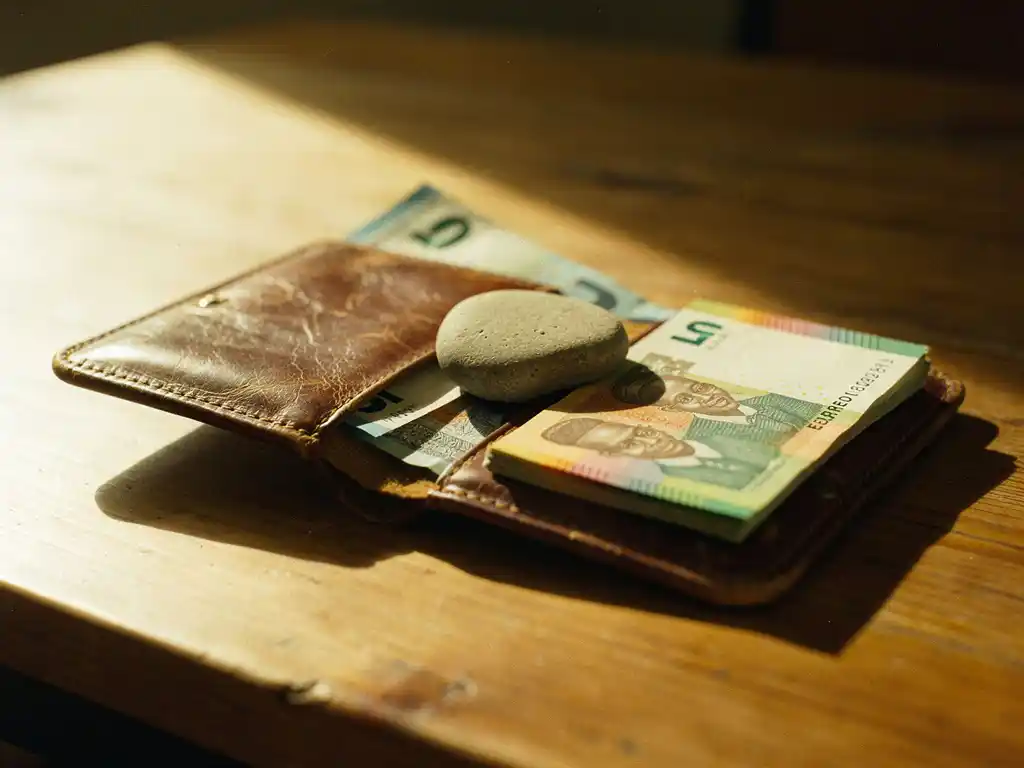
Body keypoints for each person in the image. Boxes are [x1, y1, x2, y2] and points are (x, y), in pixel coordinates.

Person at [540, 417, 778, 491]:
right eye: (630, 444)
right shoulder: (677, 485)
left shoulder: (733, 431)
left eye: (641, 432)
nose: (651, 440)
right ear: (612, 454)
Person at [610, 363, 820, 444]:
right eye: (686, 399)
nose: (706, 397)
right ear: (672, 408)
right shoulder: (701, 439)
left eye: (700, 388)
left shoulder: (774, 399)